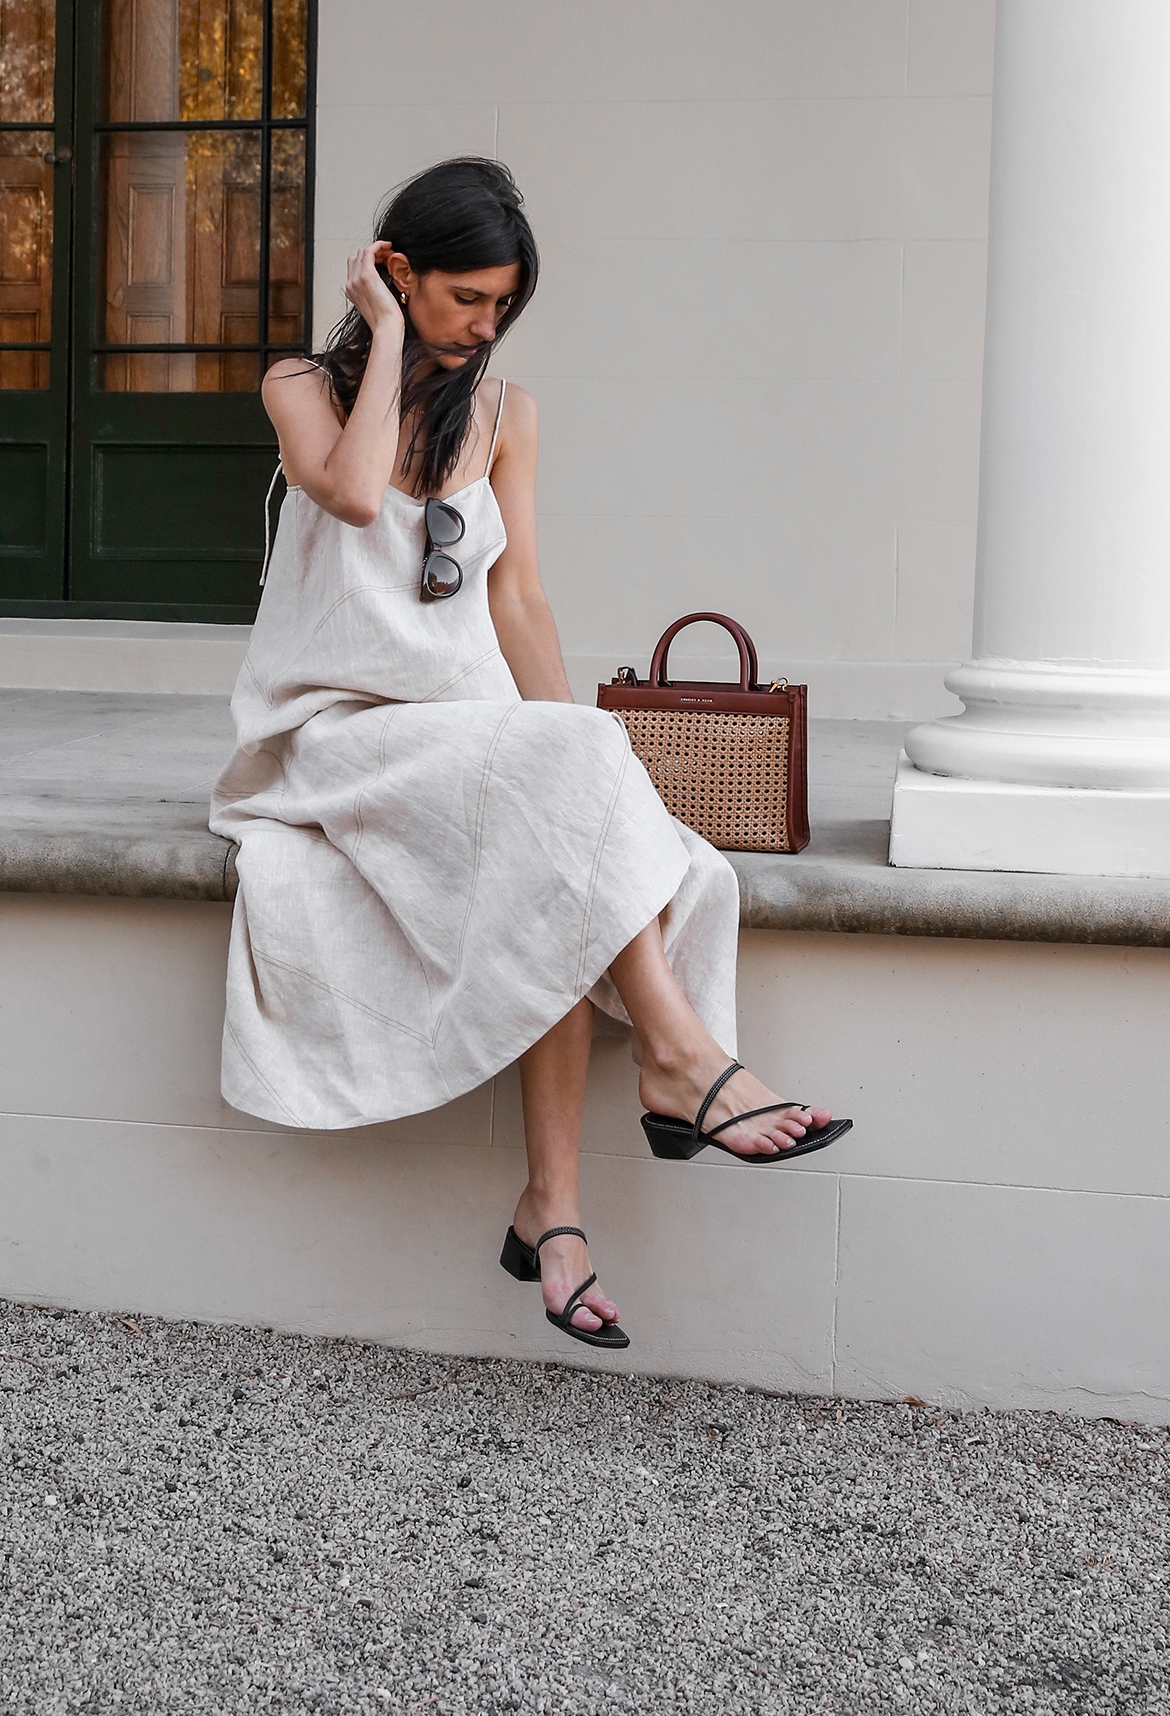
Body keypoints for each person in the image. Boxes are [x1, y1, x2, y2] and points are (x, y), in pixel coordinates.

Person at [211, 157, 849, 1350]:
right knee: (562, 815)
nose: (485, 327)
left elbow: (522, 608)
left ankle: (551, 1212)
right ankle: (678, 1053)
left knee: (572, 834)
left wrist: (591, 767)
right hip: (337, 737)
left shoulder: (511, 415)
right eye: (464, 299)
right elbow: (352, 495)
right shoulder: (300, 384)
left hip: (464, 729)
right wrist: (392, 335)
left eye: (502, 306)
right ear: (394, 272)